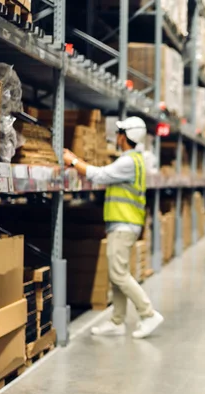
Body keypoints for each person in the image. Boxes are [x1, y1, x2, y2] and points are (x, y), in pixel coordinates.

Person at [63, 116, 164, 339]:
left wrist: (72, 161)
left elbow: (100, 175)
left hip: (123, 225)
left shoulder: (128, 162)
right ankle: (117, 321)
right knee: (118, 274)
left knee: (119, 275)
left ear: (125, 136)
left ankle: (148, 314)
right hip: (125, 224)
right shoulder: (134, 160)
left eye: (119, 133)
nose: (116, 137)